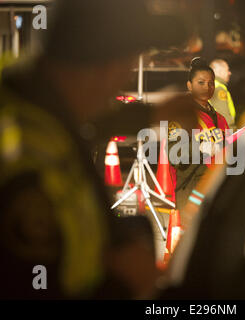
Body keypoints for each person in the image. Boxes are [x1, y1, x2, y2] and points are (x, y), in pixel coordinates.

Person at [0, 0, 196, 299]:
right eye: (128, 66)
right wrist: (126, 286)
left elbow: (79, 115)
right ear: (106, 69)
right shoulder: (26, 163)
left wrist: (152, 113)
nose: (124, 81)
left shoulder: (30, 96)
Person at [169, 58, 229, 216]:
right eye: (201, 83)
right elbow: (175, 155)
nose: (207, 88)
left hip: (214, 188)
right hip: (188, 187)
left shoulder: (220, 118)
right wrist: (201, 147)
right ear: (189, 85)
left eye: (211, 83)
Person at [209, 59, 236, 130]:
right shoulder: (218, 89)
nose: (229, 73)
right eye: (227, 70)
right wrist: (233, 131)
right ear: (220, 72)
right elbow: (224, 117)